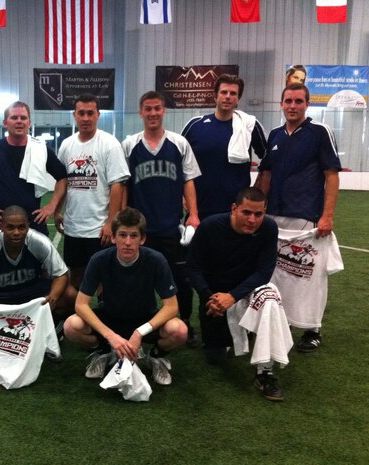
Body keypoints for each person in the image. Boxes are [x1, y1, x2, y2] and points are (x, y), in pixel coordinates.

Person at [255, 83, 342, 352]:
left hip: (306, 218)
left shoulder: (320, 132)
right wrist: (258, 210)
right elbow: (266, 175)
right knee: (279, 273)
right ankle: (284, 321)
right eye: (288, 101)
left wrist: (327, 216)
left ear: (307, 104)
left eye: (298, 101)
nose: (292, 106)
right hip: (274, 217)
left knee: (308, 275)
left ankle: (313, 329)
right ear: (281, 104)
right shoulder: (274, 135)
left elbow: (332, 176)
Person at [64, 207, 188, 386]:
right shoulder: (99, 260)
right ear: (113, 237)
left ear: (143, 239)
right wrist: (110, 336)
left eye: (134, 235)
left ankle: (155, 357)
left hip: (144, 318)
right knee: (71, 326)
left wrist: (139, 332)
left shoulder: (156, 260)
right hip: (110, 317)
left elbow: (172, 307)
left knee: (179, 330)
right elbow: (81, 305)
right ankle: (104, 351)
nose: (127, 242)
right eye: (122, 235)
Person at [187, 187, 285, 401]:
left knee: (270, 296)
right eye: (246, 213)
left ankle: (265, 373)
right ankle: (241, 331)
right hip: (214, 300)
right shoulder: (210, 227)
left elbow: (264, 272)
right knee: (215, 357)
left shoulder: (269, 228)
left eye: (258, 214)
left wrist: (232, 296)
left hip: (247, 293)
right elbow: (193, 267)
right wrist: (209, 297)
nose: (252, 220)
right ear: (234, 208)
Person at [122, 91, 201, 347]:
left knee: (180, 279)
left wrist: (194, 214)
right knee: (137, 280)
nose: (153, 113)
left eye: (157, 108)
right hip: (140, 229)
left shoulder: (179, 143)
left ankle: (185, 322)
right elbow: (122, 184)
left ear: (164, 110)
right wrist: (123, 219)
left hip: (170, 227)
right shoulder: (130, 144)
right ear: (141, 112)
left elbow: (188, 179)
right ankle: (136, 324)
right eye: (148, 108)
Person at [0, 101, 67, 236]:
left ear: (29, 123)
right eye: (14, 118)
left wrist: (51, 206)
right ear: (5, 122)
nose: (19, 121)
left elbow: (62, 178)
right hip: (1, 222)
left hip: (34, 221)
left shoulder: (41, 149)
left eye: (23, 118)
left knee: (37, 257)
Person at [55, 94, 130, 288]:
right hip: (73, 228)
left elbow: (117, 186)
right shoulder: (66, 145)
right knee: (76, 275)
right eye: (81, 113)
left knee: (104, 278)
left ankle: (105, 315)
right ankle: (76, 317)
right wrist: (57, 211)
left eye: (90, 113)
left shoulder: (110, 144)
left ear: (98, 115)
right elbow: (63, 181)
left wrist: (110, 222)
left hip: (99, 230)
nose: (86, 118)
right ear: (75, 115)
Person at [181, 74, 267, 220]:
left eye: (233, 93)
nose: (228, 97)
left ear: (238, 99)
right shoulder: (195, 125)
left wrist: (258, 189)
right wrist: (182, 194)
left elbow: (268, 161)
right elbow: (178, 162)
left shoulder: (249, 126)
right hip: (199, 210)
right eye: (224, 92)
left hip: (237, 212)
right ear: (215, 96)